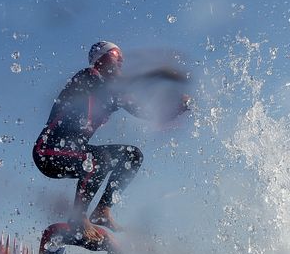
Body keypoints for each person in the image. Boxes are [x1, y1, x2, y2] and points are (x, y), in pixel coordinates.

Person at [33, 41, 190, 240]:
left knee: (132, 156)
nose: (122, 62)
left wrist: (178, 108)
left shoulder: (113, 93)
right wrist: (159, 73)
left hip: (77, 153)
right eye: (117, 57)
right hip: (48, 152)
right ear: (101, 60)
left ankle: (102, 211)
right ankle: (78, 217)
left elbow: (145, 112)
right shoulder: (87, 77)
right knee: (100, 159)